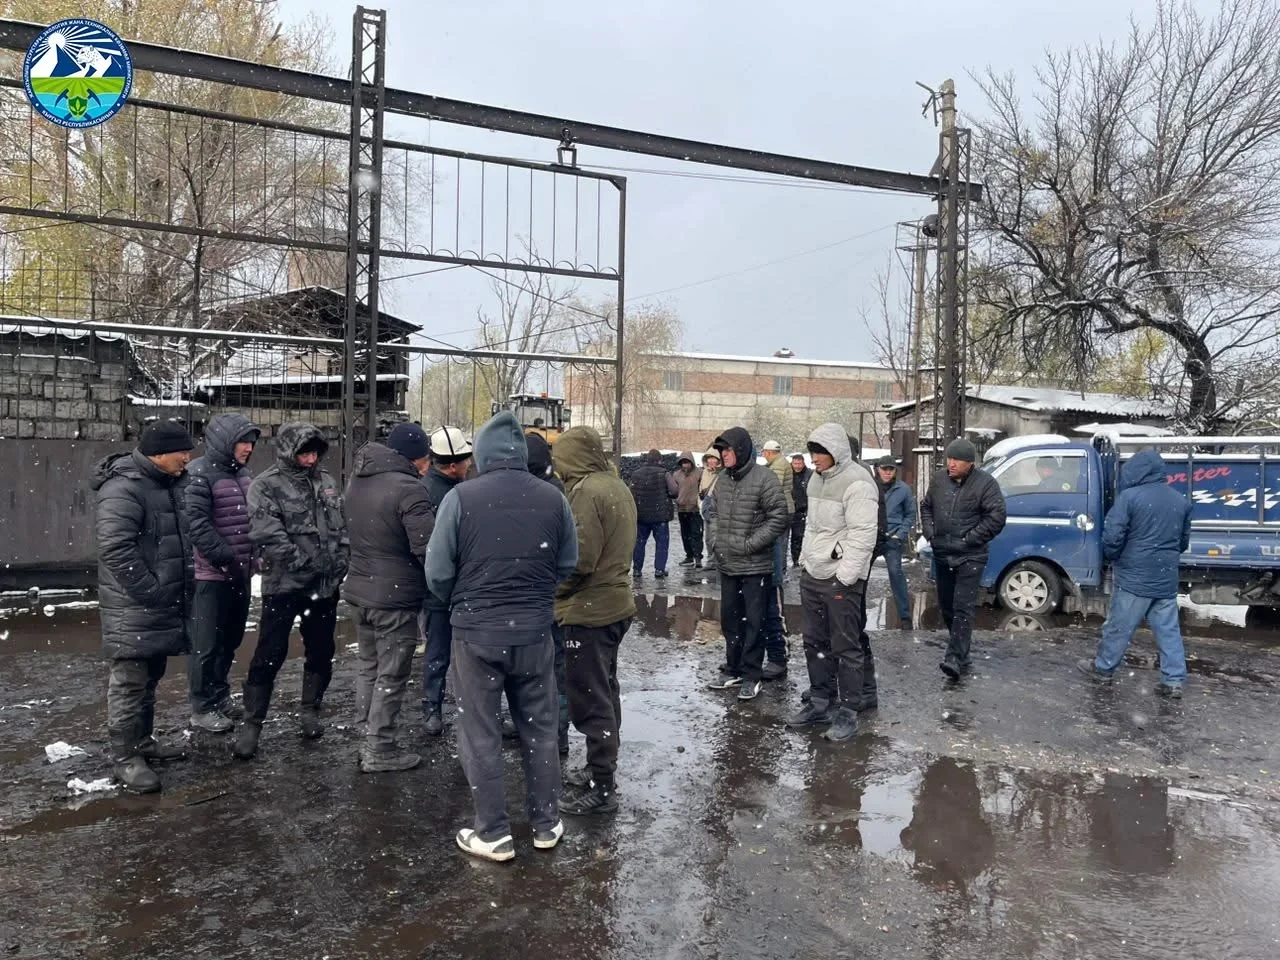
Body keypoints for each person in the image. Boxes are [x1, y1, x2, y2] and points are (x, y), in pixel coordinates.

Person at [425, 411, 578, 861]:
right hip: (534, 633)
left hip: (476, 634)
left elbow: (437, 572)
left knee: (480, 731)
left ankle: (492, 832)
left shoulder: (461, 498)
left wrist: (465, 602)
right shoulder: (553, 499)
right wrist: (535, 596)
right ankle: (546, 824)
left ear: (482, 454)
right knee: (540, 728)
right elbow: (567, 563)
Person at [93, 420, 196, 793]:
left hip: (162, 602)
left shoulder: (168, 484)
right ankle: (125, 758)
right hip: (135, 605)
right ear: (159, 454)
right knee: (130, 681)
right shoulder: (123, 488)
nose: (188, 458)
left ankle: (143, 742)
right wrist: (152, 591)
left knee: (151, 675)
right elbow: (115, 549)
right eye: (182, 451)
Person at [235, 422, 349, 760]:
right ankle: (252, 723)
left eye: (315, 453)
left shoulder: (326, 482)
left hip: (324, 586)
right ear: (288, 451)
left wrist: (341, 559)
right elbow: (267, 533)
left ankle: (311, 709)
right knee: (269, 653)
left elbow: (341, 525)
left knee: (321, 650)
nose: (311, 459)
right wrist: (302, 561)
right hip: (285, 585)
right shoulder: (266, 485)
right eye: (304, 453)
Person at [553, 426, 638, 815]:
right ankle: (599, 770)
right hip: (615, 606)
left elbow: (580, 561)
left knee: (590, 699)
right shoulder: (616, 485)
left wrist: (554, 591)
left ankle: (602, 787)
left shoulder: (586, 491)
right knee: (605, 690)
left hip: (589, 612)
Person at [344, 423, 435, 772]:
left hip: (360, 591)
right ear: (415, 458)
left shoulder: (358, 480)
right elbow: (427, 548)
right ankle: (380, 747)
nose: (428, 465)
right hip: (394, 598)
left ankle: (366, 735)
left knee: (369, 667)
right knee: (392, 673)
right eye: (425, 458)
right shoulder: (410, 489)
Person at [785, 424, 879, 741]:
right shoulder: (816, 479)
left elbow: (863, 536)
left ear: (835, 452)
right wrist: (805, 560)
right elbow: (812, 527)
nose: (813, 459)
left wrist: (845, 576)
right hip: (814, 574)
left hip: (841, 578)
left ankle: (849, 712)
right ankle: (820, 702)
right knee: (814, 642)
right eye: (811, 452)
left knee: (846, 646)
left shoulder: (858, 482)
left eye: (819, 453)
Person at [1077, 448, 1191, 697]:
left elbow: (1113, 536)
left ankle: (1103, 669)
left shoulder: (1129, 497)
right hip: (1165, 576)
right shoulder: (1179, 500)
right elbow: (1183, 542)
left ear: (1136, 472)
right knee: (1168, 631)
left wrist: (1113, 555)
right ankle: (1173, 681)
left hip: (1134, 576)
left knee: (1119, 626)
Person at [184, 413, 260, 733]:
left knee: (230, 639)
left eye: (251, 443)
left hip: (240, 574)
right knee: (206, 644)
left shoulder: (243, 475)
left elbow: (251, 519)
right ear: (224, 442)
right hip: (211, 576)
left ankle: (219, 696)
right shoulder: (198, 475)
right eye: (242, 442)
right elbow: (197, 525)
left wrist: (255, 556)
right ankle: (202, 707)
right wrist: (225, 558)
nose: (248, 448)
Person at [705, 427, 789, 701]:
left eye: (728, 450)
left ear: (741, 450)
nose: (724, 455)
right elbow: (713, 512)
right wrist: (716, 541)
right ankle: (734, 669)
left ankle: (752, 674)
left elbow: (779, 516)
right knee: (730, 620)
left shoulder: (764, 478)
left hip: (755, 567)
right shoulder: (723, 480)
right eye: (721, 451)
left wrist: (751, 544)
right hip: (728, 564)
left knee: (754, 622)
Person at [920, 438, 1007, 680]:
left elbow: (997, 516)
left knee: (962, 607)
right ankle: (962, 651)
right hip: (942, 553)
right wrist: (930, 532)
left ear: (970, 463)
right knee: (947, 606)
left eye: (957, 460)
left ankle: (954, 657)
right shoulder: (939, 480)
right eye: (949, 458)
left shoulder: (985, 483)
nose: (951, 463)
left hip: (971, 556)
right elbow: (926, 507)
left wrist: (970, 539)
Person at [419, 425, 473, 736]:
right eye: (466, 460)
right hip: (451, 590)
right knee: (463, 654)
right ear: (453, 465)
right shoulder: (453, 494)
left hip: (437, 590)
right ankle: (464, 709)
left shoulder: (425, 489)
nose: (470, 464)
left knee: (437, 653)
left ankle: (432, 708)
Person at [525, 431, 572, 756]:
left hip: (540, 598)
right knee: (552, 667)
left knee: (544, 668)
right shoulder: (556, 492)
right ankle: (553, 730)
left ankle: (551, 731)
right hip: (548, 597)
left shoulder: (545, 495)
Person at [873, 455, 917, 628]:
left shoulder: (903, 489)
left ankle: (905, 617)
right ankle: (856, 615)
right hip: (872, 536)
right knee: (860, 574)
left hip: (892, 537)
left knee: (895, 572)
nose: (887, 472)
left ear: (895, 471)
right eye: (884, 469)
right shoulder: (870, 487)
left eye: (891, 469)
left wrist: (900, 534)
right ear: (878, 469)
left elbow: (910, 514)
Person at [629, 448, 677, 578]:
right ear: (659, 460)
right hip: (660, 516)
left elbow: (631, 493)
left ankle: (637, 569)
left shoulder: (636, 474)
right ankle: (659, 569)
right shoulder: (664, 473)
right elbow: (674, 491)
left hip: (641, 516)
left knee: (639, 543)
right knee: (662, 544)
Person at [673, 451, 704, 568]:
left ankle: (698, 556)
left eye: (687, 462)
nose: (685, 465)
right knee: (685, 534)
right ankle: (689, 555)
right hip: (682, 509)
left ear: (692, 462)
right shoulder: (676, 475)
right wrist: (677, 500)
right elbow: (674, 490)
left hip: (695, 509)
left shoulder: (699, 473)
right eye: (683, 463)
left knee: (696, 533)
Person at [789, 453, 812, 565]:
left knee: (798, 536)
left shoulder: (809, 474)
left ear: (803, 463)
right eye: (795, 463)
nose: (797, 466)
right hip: (788, 509)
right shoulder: (788, 473)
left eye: (799, 463)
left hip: (801, 510)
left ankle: (796, 559)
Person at [700, 449, 721, 569]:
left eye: (714, 458)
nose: (711, 461)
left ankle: (715, 560)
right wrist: (701, 505)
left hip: (716, 508)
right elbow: (701, 490)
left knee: (715, 536)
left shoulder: (722, 473)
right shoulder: (704, 472)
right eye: (709, 458)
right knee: (708, 537)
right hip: (706, 507)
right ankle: (710, 559)